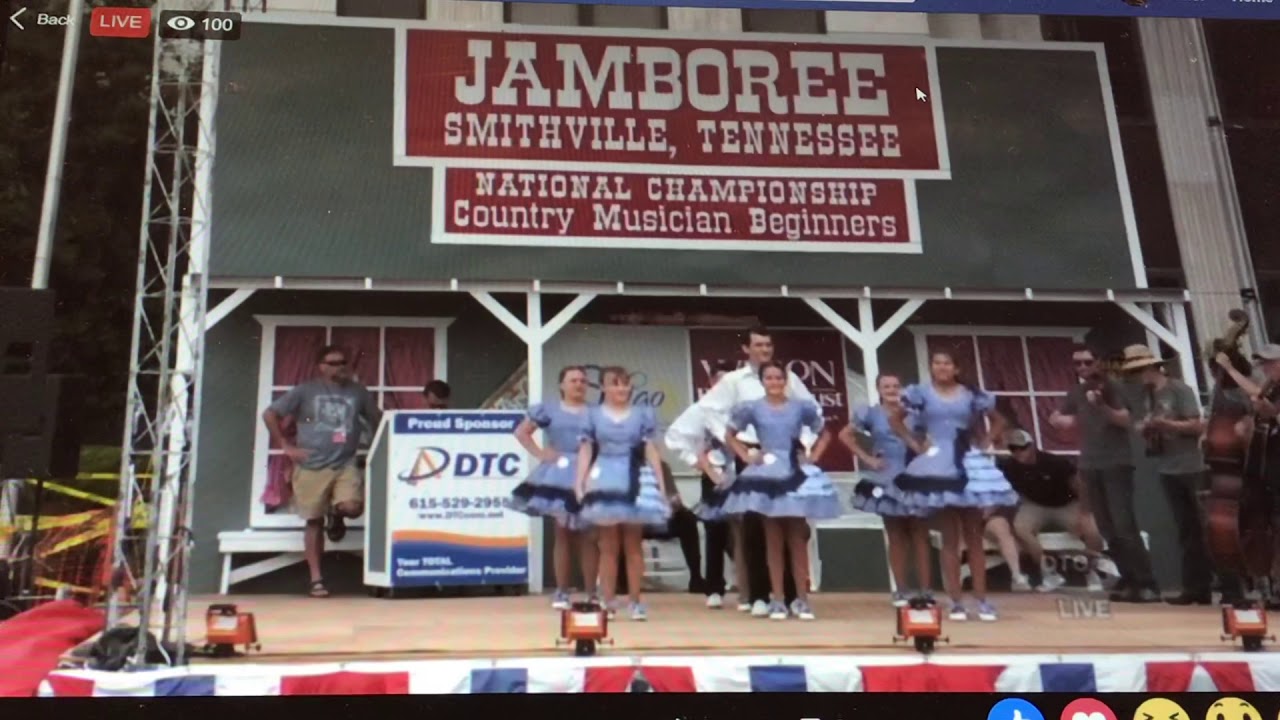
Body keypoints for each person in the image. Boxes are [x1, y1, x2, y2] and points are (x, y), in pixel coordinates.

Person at [665, 324, 818, 618]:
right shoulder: (735, 381)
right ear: (746, 349)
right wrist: (735, 445)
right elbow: (707, 409)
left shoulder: (790, 379)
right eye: (758, 345)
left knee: (790, 526)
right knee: (754, 527)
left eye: (768, 346)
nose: (764, 350)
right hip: (752, 455)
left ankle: (791, 595)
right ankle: (760, 594)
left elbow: (812, 412)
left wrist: (805, 448)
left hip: (785, 457)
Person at [892, 350, 1018, 622]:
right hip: (938, 463)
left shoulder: (971, 394)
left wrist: (985, 443)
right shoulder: (921, 393)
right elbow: (896, 420)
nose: (942, 367)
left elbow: (999, 420)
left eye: (947, 363)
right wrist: (916, 444)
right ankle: (956, 600)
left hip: (966, 461)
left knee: (974, 536)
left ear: (956, 368)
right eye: (937, 363)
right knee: (950, 537)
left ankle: (982, 599)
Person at [722, 360, 842, 621]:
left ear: (785, 380)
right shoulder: (752, 408)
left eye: (779, 378)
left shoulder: (800, 408)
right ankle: (777, 598)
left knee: (797, 539)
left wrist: (812, 457)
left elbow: (825, 433)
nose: (774, 382)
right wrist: (747, 454)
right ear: (762, 381)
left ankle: (801, 599)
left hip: (794, 472)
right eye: (769, 378)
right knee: (772, 539)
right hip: (765, 472)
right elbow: (730, 434)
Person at [262, 345, 381, 598]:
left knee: (352, 507)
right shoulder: (306, 391)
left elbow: (376, 418)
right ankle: (316, 579)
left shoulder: (358, 392)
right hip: (311, 465)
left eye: (343, 362)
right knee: (313, 521)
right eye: (334, 363)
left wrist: (379, 445)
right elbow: (270, 413)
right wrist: (285, 445)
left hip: (345, 462)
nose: (340, 367)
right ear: (322, 366)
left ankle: (336, 514)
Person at [1050, 344, 1159, 603]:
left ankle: (1147, 581)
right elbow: (1062, 416)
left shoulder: (1113, 387)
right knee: (1107, 528)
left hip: (1116, 463)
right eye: (1077, 364)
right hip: (1090, 463)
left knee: (1124, 525)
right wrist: (1058, 419)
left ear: (1099, 362)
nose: (1083, 368)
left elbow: (1126, 420)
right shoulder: (1077, 391)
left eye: (1088, 362)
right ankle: (1128, 577)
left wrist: (1102, 406)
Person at [1126, 345, 1226, 605]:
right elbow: (1148, 423)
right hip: (1168, 465)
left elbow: (1197, 424)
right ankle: (1196, 587)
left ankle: (1229, 586)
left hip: (1191, 465)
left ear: (1152, 368)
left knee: (1207, 527)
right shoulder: (1149, 395)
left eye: (1140, 370)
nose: (1138, 376)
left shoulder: (1178, 389)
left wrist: (1166, 424)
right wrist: (1148, 429)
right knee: (1185, 529)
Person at [575, 366, 672, 621]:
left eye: (625, 383)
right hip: (605, 475)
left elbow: (651, 449)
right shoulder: (592, 415)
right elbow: (586, 450)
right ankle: (608, 601)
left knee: (633, 544)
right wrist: (580, 482)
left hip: (634, 476)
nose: (621, 388)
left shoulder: (642, 413)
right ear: (604, 387)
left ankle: (636, 601)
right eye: (615, 383)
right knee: (608, 545)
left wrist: (661, 484)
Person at [839, 373, 935, 607]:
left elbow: (930, 438)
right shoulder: (871, 413)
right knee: (896, 534)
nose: (892, 389)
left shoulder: (915, 413)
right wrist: (867, 459)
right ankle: (901, 590)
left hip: (915, 474)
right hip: (887, 475)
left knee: (920, 535)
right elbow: (844, 434)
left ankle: (926, 590)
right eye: (886, 386)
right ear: (878, 389)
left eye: (895, 385)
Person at [509, 366, 599, 610]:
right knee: (562, 532)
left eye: (582, 381)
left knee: (589, 535)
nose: (578, 384)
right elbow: (522, 432)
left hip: (589, 471)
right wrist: (541, 453)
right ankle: (561, 591)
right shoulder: (548, 409)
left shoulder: (596, 412)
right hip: (559, 472)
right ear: (562, 385)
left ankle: (592, 592)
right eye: (573, 380)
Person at [999, 429, 1106, 593]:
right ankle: (1049, 573)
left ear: (1032, 446)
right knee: (1021, 528)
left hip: (1067, 503)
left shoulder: (1054, 463)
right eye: (1014, 448)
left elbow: (1080, 486)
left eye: (1023, 447)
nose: (1019, 452)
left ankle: (1092, 572)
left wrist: (1085, 512)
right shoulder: (1008, 466)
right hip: (1035, 505)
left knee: (1092, 530)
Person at [683, 361, 741, 610]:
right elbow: (692, 446)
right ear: (710, 384)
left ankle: (750, 588)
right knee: (715, 531)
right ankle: (714, 587)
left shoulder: (743, 411)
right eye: (719, 381)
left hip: (742, 476)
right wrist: (706, 467)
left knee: (744, 532)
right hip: (713, 476)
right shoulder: (701, 412)